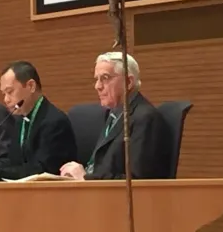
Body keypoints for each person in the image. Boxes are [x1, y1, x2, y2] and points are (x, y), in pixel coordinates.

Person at [59, 52, 171, 180]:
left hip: (107, 192)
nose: (97, 86)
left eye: (105, 78)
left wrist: (86, 178)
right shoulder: (115, 112)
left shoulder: (145, 119)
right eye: (97, 79)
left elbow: (136, 181)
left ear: (128, 82)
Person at [0, 61, 77, 180]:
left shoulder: (54, 122)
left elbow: (41, 170)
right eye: (4, 94)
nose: (6, 99)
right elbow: (12, 162)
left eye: (10, 92)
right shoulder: (20, 119)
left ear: (31, 86)